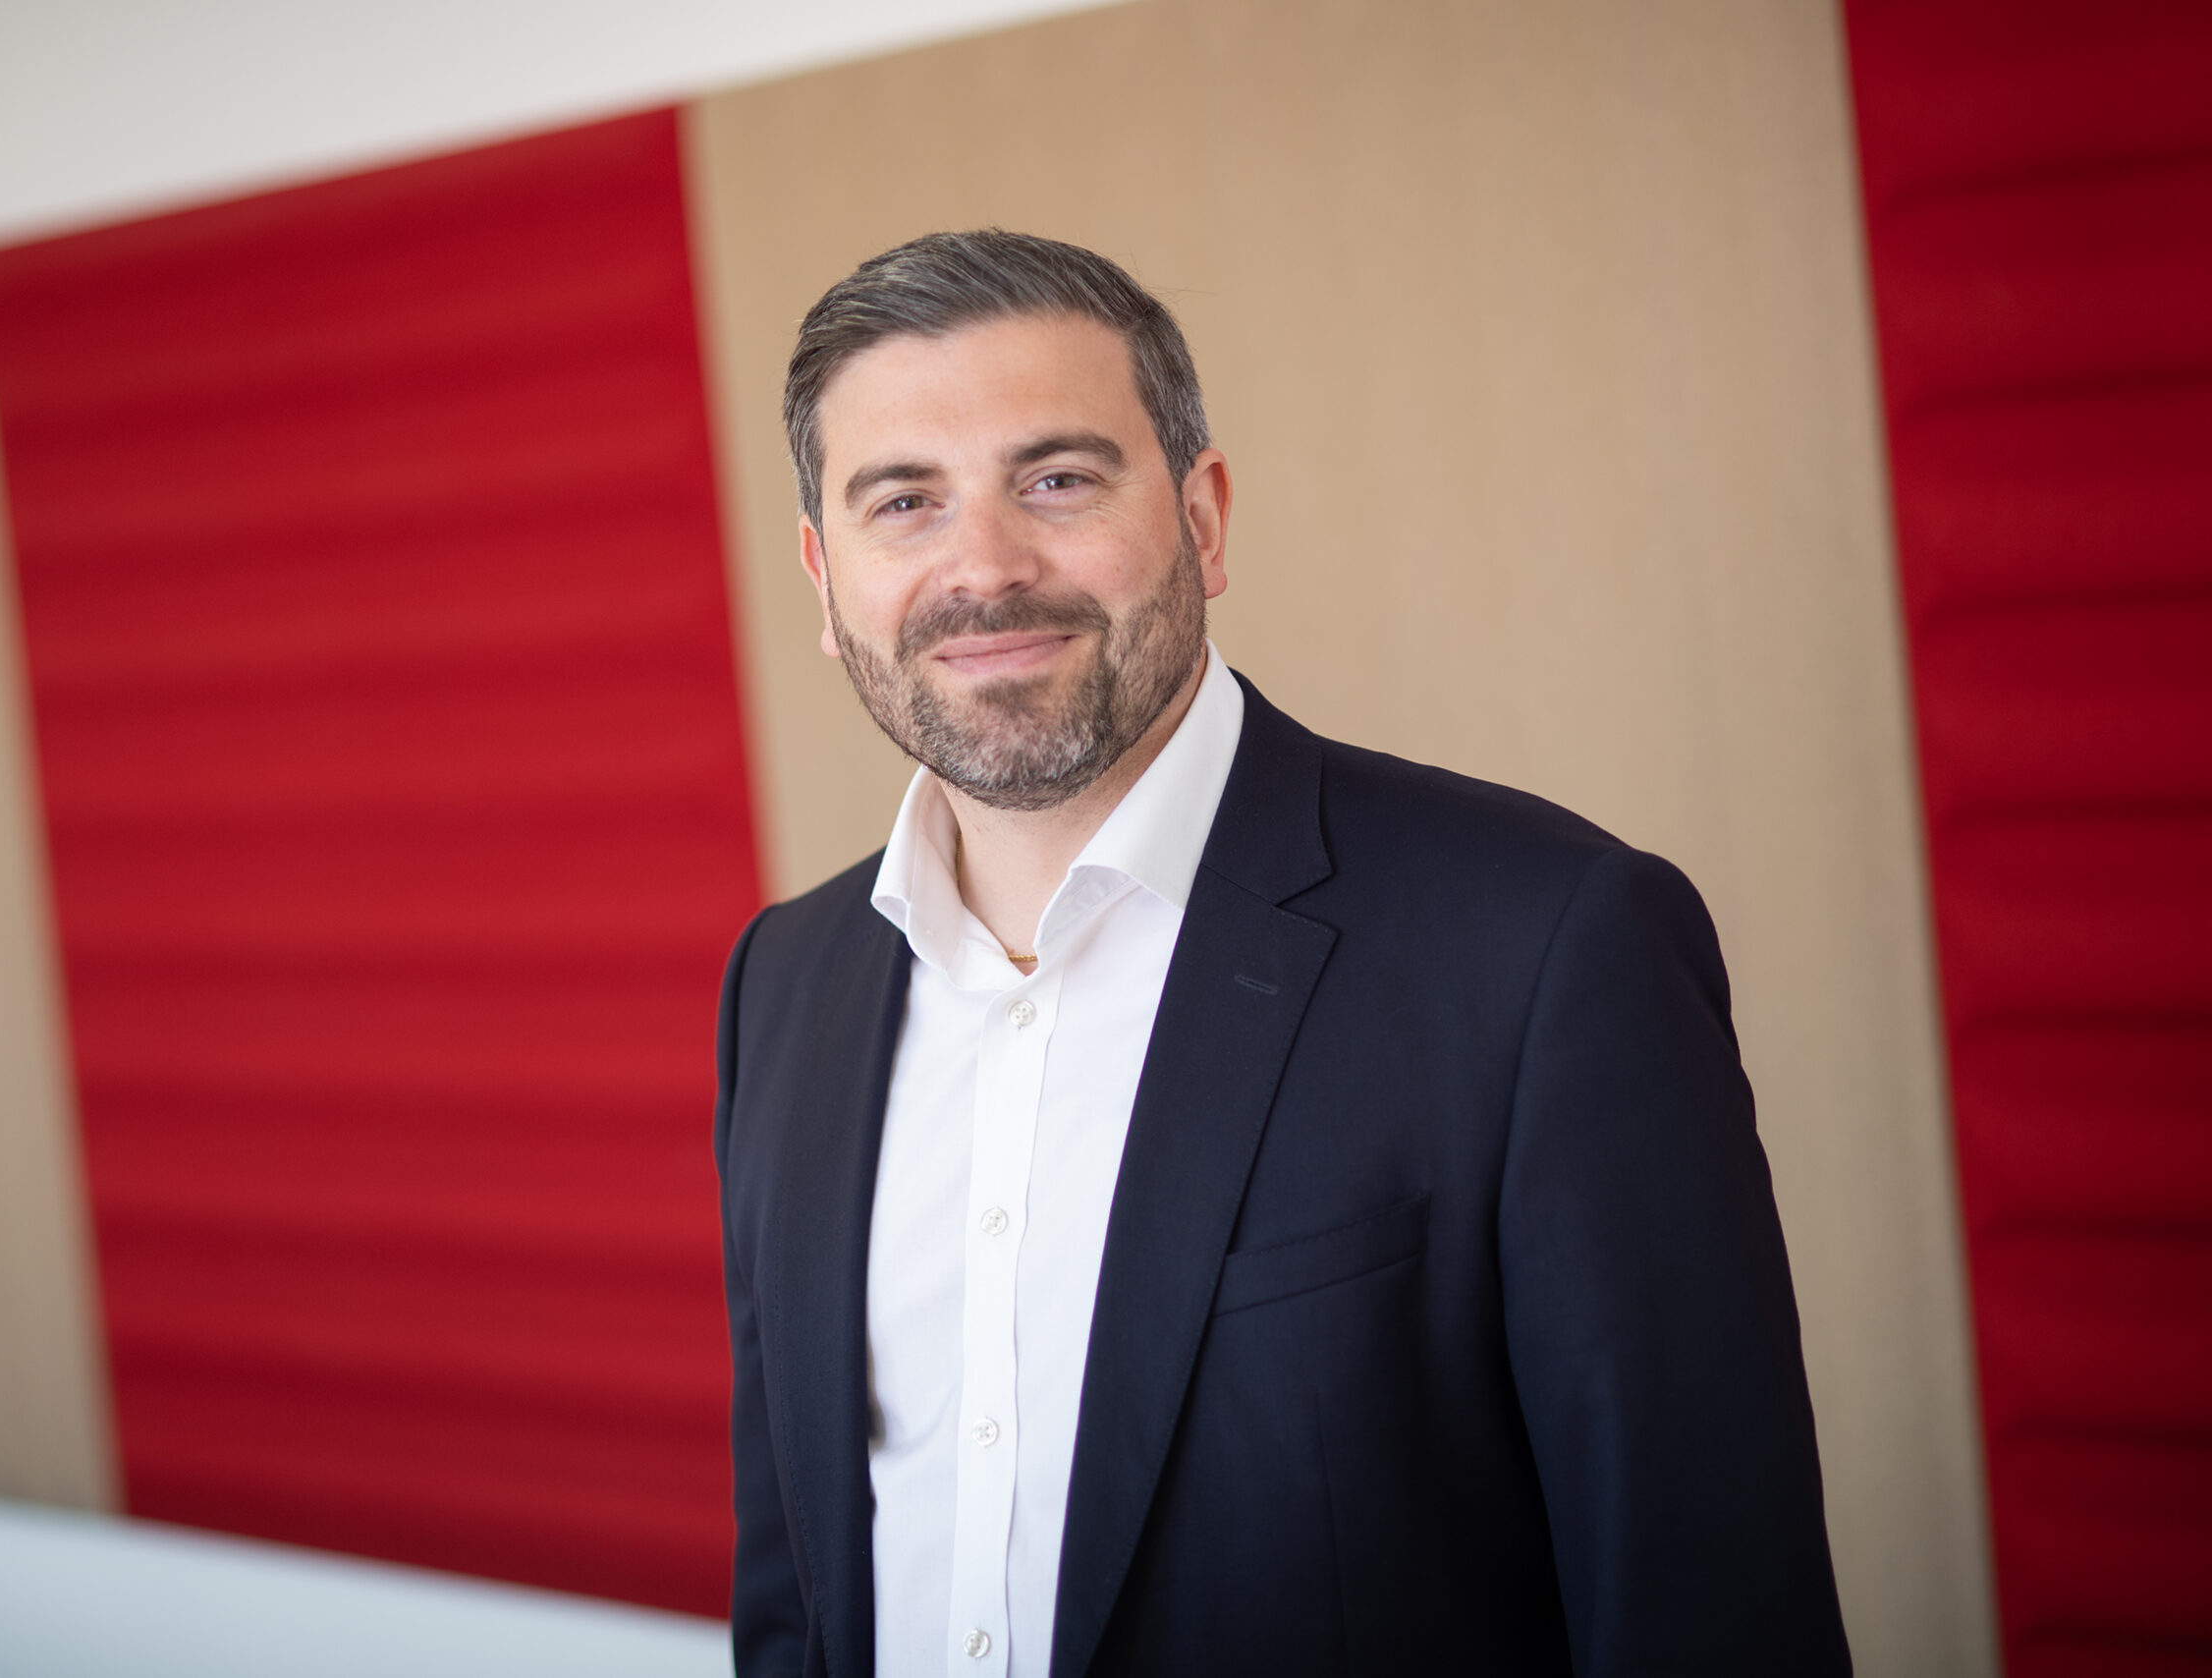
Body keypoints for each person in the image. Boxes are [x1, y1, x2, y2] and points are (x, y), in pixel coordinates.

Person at [713, 229, 1849, 1678]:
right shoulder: (785, 989)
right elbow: (798, 1591)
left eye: (1056, 479)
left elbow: (1710, 1620)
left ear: (1204, 516)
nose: (983, 569)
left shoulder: (1548, 951)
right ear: (825, 579)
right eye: (904, 503)